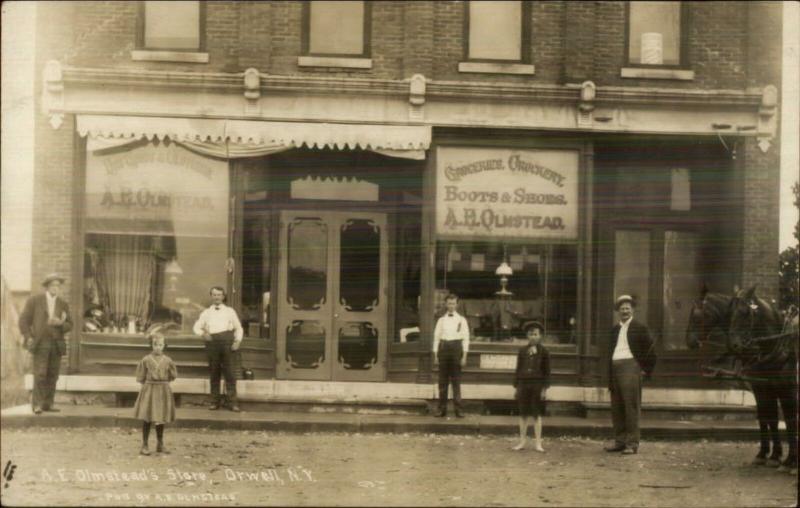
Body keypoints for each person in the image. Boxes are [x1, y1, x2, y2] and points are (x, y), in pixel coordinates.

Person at [605, 295, 656, 455]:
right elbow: (609, 354)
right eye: (622, 308)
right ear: (618, 311)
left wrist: (645, 370)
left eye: (627, 308)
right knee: (617, 407)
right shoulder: (614, 330)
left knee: (630, 407)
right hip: (615, 369)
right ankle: (619, 441)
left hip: (631, 369)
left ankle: (632, 443)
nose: (625, 311)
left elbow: (651, 352)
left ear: (632, 310)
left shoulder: (640, 328)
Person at [18, 273, 73, 415]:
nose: (56, 288)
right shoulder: (35, 301)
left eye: (58, 286)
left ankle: (48, 404)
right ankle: (37, 405)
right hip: (41, 343)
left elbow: (70, 324)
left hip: (57, 344)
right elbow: (23, 321)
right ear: (47, 286)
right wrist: (28, 336)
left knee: (53, 374)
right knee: (40, 373)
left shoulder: (63, 304)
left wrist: (61, 324)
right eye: (53, 285)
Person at [193, 286, 244, 412]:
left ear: (223, 296)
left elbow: (239, 328)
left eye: (219, 295)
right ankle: (214, 401)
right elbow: (196, 327)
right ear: (211, 296)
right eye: (214, 295)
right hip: (213, 344)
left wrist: (237, 341)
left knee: (230, 374)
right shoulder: (206, 312)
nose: (217, 297)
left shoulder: (230, 311)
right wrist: (204, 334)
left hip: (227, 343)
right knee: (214, 373)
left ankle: (232, 402)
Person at [133, 331, 177, 455]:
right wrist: (147, 387)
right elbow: (140, 377)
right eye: (155, 344)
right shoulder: (146, 359)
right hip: (150, 389)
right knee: (147, 417)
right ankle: (145, 445)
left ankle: (160, 443)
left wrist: (164, 382)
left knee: (160, 418)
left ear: (164, 345)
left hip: (163, 389)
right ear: (151, 345)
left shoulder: (168, 360)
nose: (158, 347)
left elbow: (173, 375)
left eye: (160, 345)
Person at [512, 321, 550, 452]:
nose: (533, 337)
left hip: (537, 385)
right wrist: (516, 387)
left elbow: (547, 372)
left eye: (535, 334)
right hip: (523, 384)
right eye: (530, 334)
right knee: (523, 414)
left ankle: (538, 443)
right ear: (527, 336)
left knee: (536, 414)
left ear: (540, 336)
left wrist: (544, 389)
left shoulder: (544, 352)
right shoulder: (522, 351)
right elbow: (518, 370)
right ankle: (522, 441)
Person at [432, 293, 470, 418]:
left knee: (456, 381)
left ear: (457, 305)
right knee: (442, 381)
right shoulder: (441, 320)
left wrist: (464, 356)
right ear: (445, 304)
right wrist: (436, 354)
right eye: (449, 303)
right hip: (443, 349)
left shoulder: (462, 320)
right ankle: (441, 409)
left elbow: (466, 339)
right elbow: (436, 338)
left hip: (456, 349)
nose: (451, 306)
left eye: (453, 303)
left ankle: (458, 410)